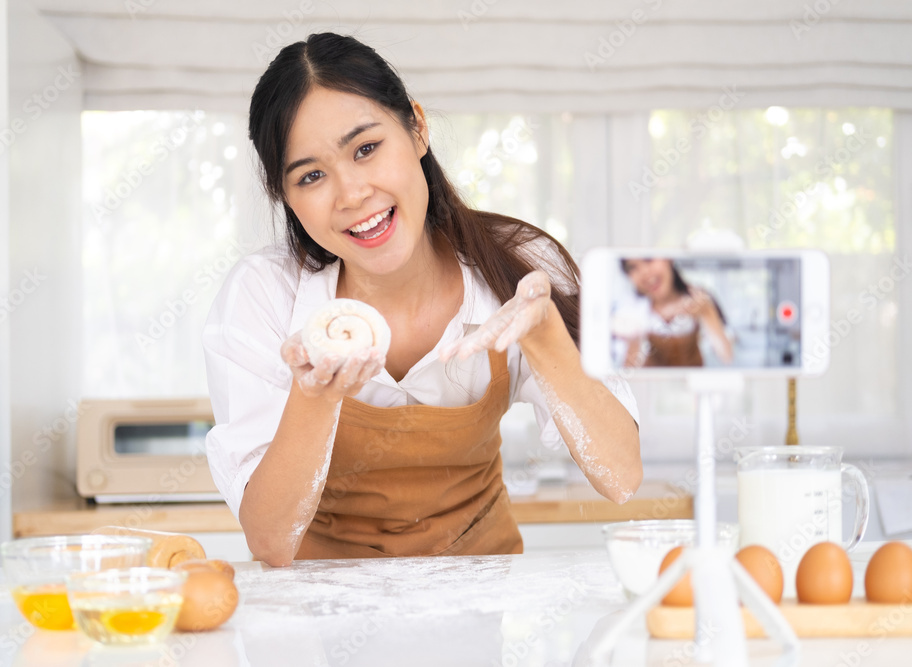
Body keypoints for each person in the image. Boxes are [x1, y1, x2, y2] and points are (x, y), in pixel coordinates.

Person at [203, 33, 641, 567]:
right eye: (312, 176)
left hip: (477, 609)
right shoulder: (263, 296)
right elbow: (269, 540)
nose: (351, 194)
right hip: (317, 619)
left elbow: (621, 477)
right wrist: (314, 396)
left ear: (417, 128)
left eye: (366, 148)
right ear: (285, 196)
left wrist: (547, 336)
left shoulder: (522, 267)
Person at [620, 258, 733, 367]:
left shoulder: (698, 298)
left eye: (648, 259)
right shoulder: (634, 309)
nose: (644, 272)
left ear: (668, 258)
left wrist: (707, 312)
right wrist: (633, 342)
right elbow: (629, 371)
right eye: (632, 267)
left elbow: (726, 357)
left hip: (691, 384)